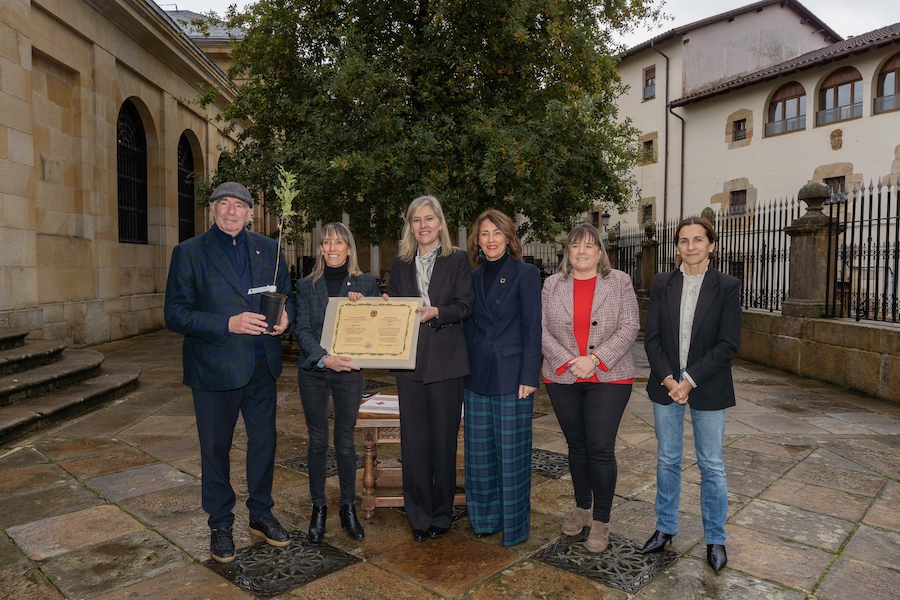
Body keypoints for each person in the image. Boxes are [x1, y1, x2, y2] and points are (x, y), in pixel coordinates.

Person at [164, 181, 294, 563]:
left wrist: (288, 317)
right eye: (224, 204)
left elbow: (290, 297)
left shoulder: (270, 249)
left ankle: (261, 513)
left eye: (239, 205)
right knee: (216, 450)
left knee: (264, 443)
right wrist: (228, 323)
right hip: (214, 368)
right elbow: (175, 314)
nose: (231, 211)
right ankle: (220, 524)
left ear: (251, 212)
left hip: (260, 365)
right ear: (213, 209)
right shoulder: (189, 253)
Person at [641, 216, 741, 573]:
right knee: (667, 459)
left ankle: (715, 537)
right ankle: (665, 528)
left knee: (711, 464)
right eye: (684, 240)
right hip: (665, 384)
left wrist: (690, 380)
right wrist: (670, 380)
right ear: (677, 246)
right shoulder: (663, 283)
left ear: (711, 245)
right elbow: (650, 338)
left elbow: (728, 344)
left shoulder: (727, 286)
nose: (691, 246)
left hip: (708, 386)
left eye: (699, 240)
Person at [541, 223, 639, 553]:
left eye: (589, 245)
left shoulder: (620, 282)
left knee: (599, 446)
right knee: (577, 445)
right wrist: (570, 361)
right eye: (575, 245)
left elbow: (630, 327)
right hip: (562, 376)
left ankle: (602, 519)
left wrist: (594, 360)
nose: (582, 251)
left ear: (600, 251)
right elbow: (539, 329)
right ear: (568, 252)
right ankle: (582, 508)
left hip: (609, 376)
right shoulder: (552, 284)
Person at [385, 195, 474, 542]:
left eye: (429, 219)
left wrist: (437, 312)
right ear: (410, 226)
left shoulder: (458, 260)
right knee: (414, 444)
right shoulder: (400, 262)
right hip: (409, 365)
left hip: (447, 363)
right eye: (416, 220)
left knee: (442, 444)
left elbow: (465, 305)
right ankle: (417, 515)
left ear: (440, 223)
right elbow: (392, 302)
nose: (423, 226)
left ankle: (441, 513)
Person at [293, 222, 379, 543]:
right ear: (321, 248)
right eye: (326, 242)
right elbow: (300, 329)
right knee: (317, 441)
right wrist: (323, 356)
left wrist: (366, 309)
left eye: (338, 242)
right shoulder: (305, 285)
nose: (331, 248)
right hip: (314, 369)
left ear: (349, 248)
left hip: (349, 371)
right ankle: (318, 508)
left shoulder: (365, 283)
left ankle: (347, 508)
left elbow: (374, 328)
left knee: (345, 440)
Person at [463, 209, 541, 547]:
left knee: (512, 457)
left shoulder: (525, 273)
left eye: (497, 233)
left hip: (513, 378)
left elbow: (531, 327)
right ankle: (484, 520)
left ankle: (514, 527)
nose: (491, 239)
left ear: (509, 238)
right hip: (476, 376)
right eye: (484, 234)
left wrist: (529, 375)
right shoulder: (471, 276)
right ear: (477, 242)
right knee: (479, 458)